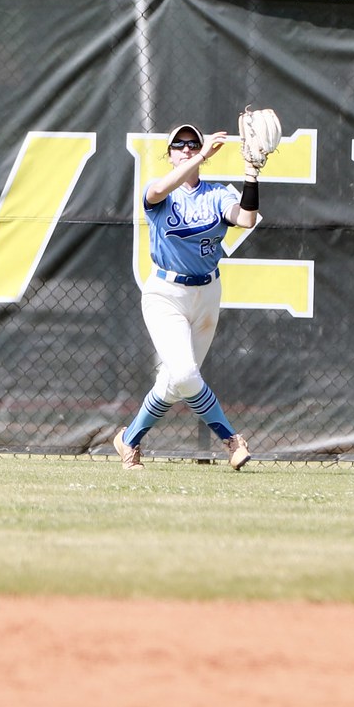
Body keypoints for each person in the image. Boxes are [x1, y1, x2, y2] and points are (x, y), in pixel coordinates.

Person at [114, 122, 259, 471]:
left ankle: (128, 440)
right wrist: (201, 157)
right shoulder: (159, 190)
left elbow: (246, 218)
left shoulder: (217, 194)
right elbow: (161, 188)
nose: (187, 149)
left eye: (192, 144)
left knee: (175, 382)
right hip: (166, 293)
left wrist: (251, 176)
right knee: (184, 372)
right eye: (179, 145)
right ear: (169, 154)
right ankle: (231, 440)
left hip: (207, 293)